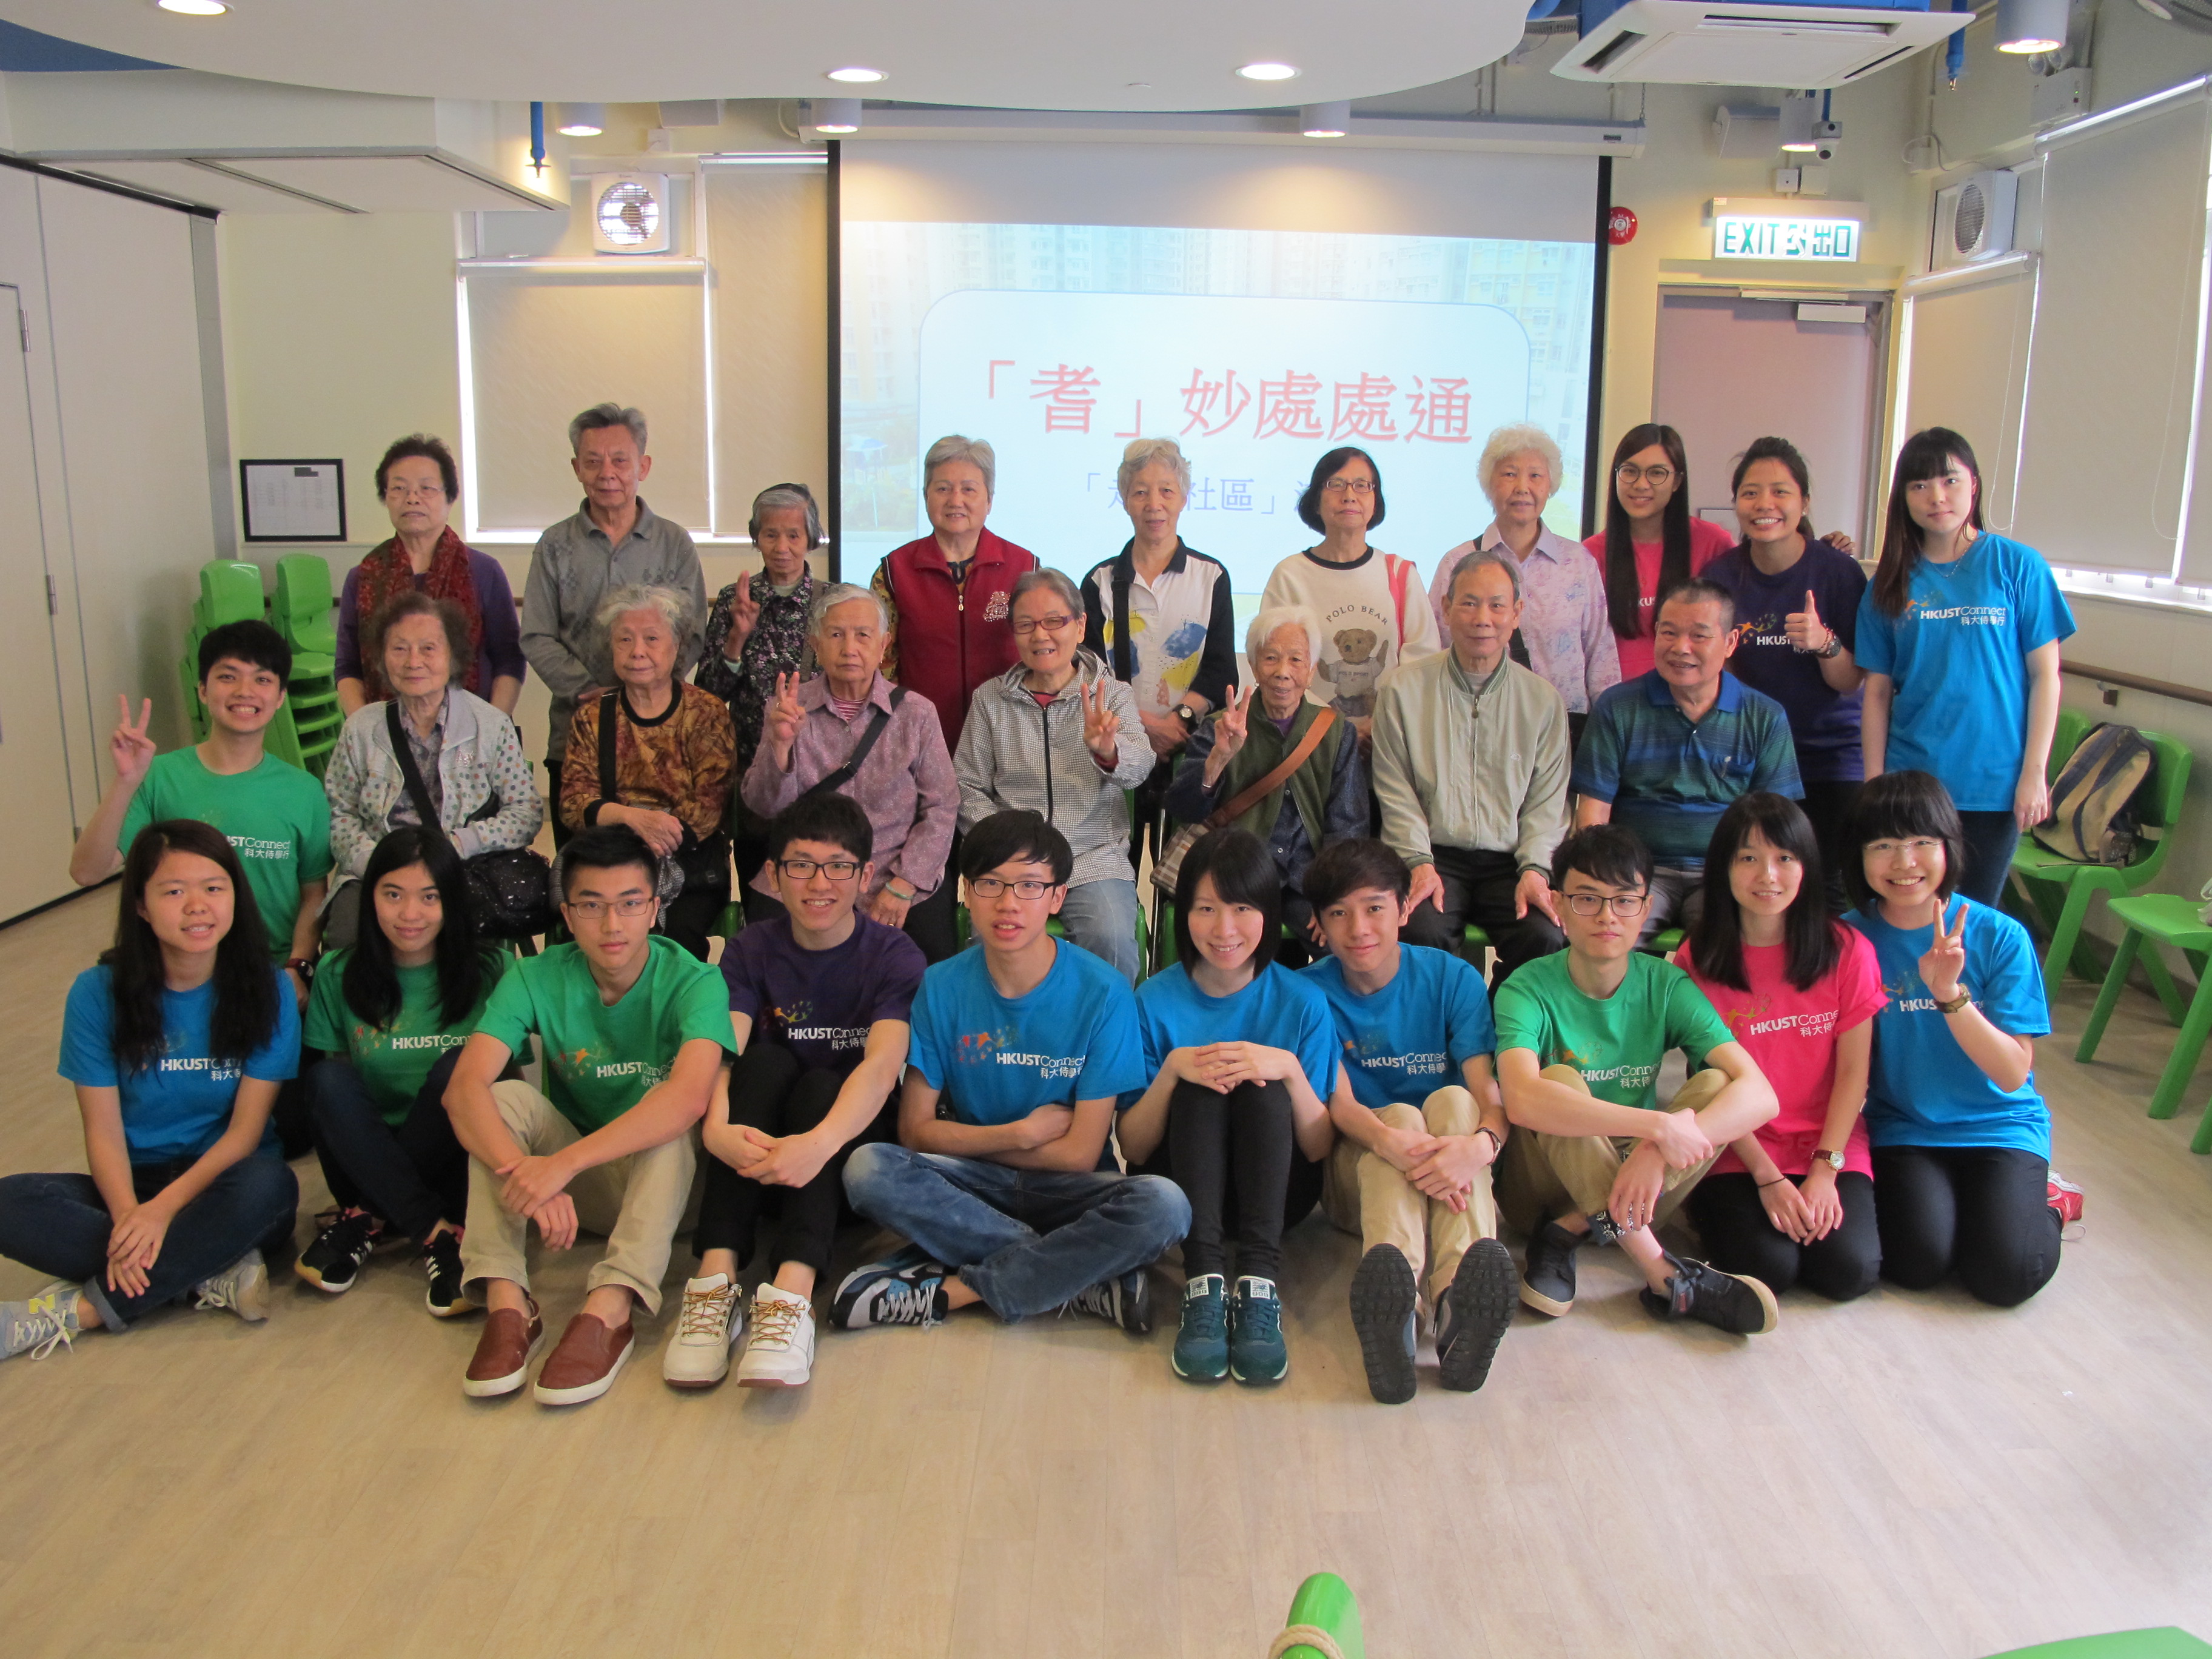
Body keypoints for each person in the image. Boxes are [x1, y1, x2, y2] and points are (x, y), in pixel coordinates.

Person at [831, 811, 1189, 1335]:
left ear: (1057, 899)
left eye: (1028, 886)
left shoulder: (1104, 992)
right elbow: (915, 1130)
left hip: (1072, 1187)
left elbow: (1080, 1153)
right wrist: (1017, 1134)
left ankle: (955, 1291)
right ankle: (1082, 1272)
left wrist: (968, 1141)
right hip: (974, 1185)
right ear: (966, 892)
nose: (1008, 903)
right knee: (867, 1169)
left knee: (1166, 1204)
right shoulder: (941, 985)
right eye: (990, 883)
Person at [444, 823, 734, 1405]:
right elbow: (463, 1089)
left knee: (666, 1118)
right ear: (566, 913)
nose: (612, 925)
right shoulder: (534, 975)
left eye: (630, 905)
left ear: (655, 909)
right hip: (585, 1188)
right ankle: (508, 1303)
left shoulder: (696, 981)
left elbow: (689, 1100)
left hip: (671, 1191)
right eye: (592, 906)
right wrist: (523, 1172)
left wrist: (559, 1166)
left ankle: (611, 1308)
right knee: (504, 1100)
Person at [0, 822, 299, 1361]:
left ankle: (79, 1311)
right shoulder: (96, 994)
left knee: (271, 1186)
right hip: (133, 1182)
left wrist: (161, 1213)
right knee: (7, 1205)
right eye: (173, 891)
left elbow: (244, 1134)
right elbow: (105, 1133)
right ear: (140, 905)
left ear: (236, 896)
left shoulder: (269, 989)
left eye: (214, 887)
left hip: (225, 1181)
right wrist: (129, 1216)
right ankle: (202, 1275)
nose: (197, 907)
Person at [662, 794, 926, 1390]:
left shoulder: (894, 954)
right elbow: (724, 1051)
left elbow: (884, 1067)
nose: (818, 883)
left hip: (846, 1158)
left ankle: (791, 1293)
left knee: (825, 1084)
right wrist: (715, 1128)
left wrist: (819, 1144)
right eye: (800, 865)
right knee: (765, 1063)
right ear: (773, 876)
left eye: (838, 866)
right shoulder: (752, 948)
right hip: (758, 1152)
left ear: (864, 875)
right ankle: (716, 1279)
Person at [1493, 824, 1783, 1336]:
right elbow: (1519, 1099)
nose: (1607, 916)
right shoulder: (1527, 986)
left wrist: (1653, 1147)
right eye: (1587, 899)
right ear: (1557, 906)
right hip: (1536, 1187)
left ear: (1646, 909)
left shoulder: (1666, 984)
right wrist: (1656, 1126)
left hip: (1645, 1183)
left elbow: (1760, 1093)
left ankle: (1566, 1232)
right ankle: (1663, 1273)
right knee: (1556, 1081)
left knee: (1717, 1085)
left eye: (1625, 900)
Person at [69, 621, 331, 1157]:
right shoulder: (161, 777)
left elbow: (313, 895)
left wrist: (298, 968)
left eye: (261, 680)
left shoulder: (303, 791)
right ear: (202, 691)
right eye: (227, 677)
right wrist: (125, 781)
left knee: (296, 1131)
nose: (244, 692)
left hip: (265, 985)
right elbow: (87, 871)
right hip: (175, 977)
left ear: (280, 697)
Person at [1299, 838, 1519, 1406]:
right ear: (1319, 925)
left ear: (1404, 908)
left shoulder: (1453, 979)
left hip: (1451, 1160)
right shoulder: (1311, 993)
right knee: (1396, 1113)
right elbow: (1341, 1105)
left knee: (1453, 1103)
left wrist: (1482, 1145)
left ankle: (1449, 1305)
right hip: (1362, 1174)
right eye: (1339, 914)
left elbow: (1486, 1095)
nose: (1359, 929)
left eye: (1374, 908)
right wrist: (1393, 1141)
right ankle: (1403, 1304)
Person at [1117, 831, 1338, 1386]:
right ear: (1182, 913)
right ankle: (1204, 1285)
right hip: (1183, 1200)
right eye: (1207, 909)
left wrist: (1286, 1068)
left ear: (1268, 914)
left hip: (1277, 1196)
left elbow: (1317, 1148)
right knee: (1196, 1082)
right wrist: (1172, 1071)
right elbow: (1135, 1148)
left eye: (1243, 909)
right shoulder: (1152, 1000)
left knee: (1261, 1084)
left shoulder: (1303, 1001)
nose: (1225, 930)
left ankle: (1259, 1284)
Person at [1842, 771, 2063, 1306]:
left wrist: (1949, 994)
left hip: (2000, 1125)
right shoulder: (1847, 939)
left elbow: (2013, 1073)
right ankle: (1984, 1207)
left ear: (1949, 848)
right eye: (1884, 845)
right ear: (1860, 855)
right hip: (1907, 1127)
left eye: (1922, 843)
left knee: (2005, 1276)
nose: (1904, 862)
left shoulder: (2000, 936)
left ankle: (2051, 1203)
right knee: (1916, 1264)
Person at [1672, 794, 1884, 1301]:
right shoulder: (1695, 959)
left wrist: (1823, 1170)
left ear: (1806, 866)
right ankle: (1702, 1208)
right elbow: (1708, 1085)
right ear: (1724, 868)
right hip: (1738, 1146)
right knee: (1770, 1268)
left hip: (1829, 1143)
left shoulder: (1847, 949)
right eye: (1748, 858)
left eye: (1784, 858)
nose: (1768, 874)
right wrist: (1768, 1178)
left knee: (1848, 1271)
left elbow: (1855, 1073)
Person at [1856, 427, 2074, 907]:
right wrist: (1875, 783)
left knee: (1973, 918)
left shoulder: (2017, 566)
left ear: (1973, 485)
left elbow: (2045, 677)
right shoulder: (1889, 582)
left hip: (1994, 782)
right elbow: (1876, 692)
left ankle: (1962, 988)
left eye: (1950, 480)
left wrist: (2034, 773)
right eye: (1919, 486)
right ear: (1903, 498)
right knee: (1911, 910)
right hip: (1914, 779)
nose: (1937, 497)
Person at [294, 828, 509, 1315]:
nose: (410, 915)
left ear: (451, 901)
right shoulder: (337, 973)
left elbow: (508, 1080)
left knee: (460, 1073)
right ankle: (436, 1234)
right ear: (369, 898)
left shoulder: (492, 968)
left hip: (460, 1159)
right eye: (393, 895)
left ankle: (368, 1218)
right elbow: (338, 1104)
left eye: (429, 897)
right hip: (365, 1157)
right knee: (326, 1081)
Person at [1572, 580, 1803, 941]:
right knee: (1605, 940)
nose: (1681, 648)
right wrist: (1602, 884)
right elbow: (1593, 814)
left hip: (1723, 874)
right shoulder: (1618, 707)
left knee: (1729, 947)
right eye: (1669, 632)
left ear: (1730, 643)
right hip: (1634, 874)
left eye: (1699, 636)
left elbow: (1775, 825)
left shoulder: (1764, 716)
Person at [1377, 547, 1570, 980]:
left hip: (1512, 859)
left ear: (1517, 613)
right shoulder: (1402, 690)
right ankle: (1439, 1043)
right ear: (1445, 609)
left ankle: (1505, 1036)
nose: (1483, 617)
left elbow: (1548, 802)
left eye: (1498, 605)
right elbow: (1395, 791)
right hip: (1433, 853)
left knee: (1547, 936)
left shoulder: (1542, 701)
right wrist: (1417, 861)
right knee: (1420, 930)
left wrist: (1537, 869)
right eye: (1469, 602)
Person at [953, 569, 1153, 983]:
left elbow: (1141, 767)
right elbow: (967, 785)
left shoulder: (1111, 694)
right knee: (988, 944)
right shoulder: (991, 700)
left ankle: (1101, 1042)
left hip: (1092, 856)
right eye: (1025, 625)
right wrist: (1005, 847)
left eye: (1054, 622)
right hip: (1012, 861)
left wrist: (1109, 752)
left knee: (1112, 939)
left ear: (1080, 626)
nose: (1040, 635)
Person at [744, 582, 959, 962]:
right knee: (771, 962)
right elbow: (764, 807)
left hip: (892, 872)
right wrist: (778, 748)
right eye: (836, 634)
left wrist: (905, 883)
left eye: (863, 635)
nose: (849, 648)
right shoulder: (788, 709)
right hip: (808, 874)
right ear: (815, 643)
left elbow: (942, 807)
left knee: (931, 967)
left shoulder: (917, 713)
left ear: (883, 645)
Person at [321, 591, 543, 950]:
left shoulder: (490, 725)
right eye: (400, 648)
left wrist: (460, 845)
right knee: (347, 936)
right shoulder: (362, 728)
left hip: (461, 869)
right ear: (382, 658)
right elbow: (339, 813)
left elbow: (526, 812)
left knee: (474, 947)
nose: (414, 661)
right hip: (378, 872)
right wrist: (375, 864)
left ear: (452, 655)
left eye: (428, 648)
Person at [1703, 437, 1869, 902]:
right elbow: (1720, 681)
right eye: (1751, 492)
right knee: (1758, 892)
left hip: (1830, 761)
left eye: (1780, 492)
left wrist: (1824, 643)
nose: (1765, 504)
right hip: (1754, 762)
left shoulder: (1838, 573)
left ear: (1804, 502)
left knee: (1832, 894)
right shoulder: (1721, 578)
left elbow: (1850, 680)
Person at [521, 403, 708, 808]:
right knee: (579, 860)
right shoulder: (554, 546)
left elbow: (692, 633)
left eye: (620, 461)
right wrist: (593, 692)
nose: (607, 473)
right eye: (593, 461)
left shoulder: (674, 543)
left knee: (661, 861)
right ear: (576, 468)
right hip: (576, 731)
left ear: (643, 466)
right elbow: (537, 635)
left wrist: (650, 689)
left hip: (661, 737)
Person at [1165, 605, 1366, 959]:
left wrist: (1333, 896)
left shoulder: (1336, 733)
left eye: (1296, 660)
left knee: (1340, 945)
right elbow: (1183, 809)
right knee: (1231, 951)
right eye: (1271, 658)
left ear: (1312, 670)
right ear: (1255, 666)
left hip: (1308, 881)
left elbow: (1348, 825)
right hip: (1238, 876)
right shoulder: (1220, 725)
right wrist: (1217, 761)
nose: (1283, 673)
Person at [1080, 437, 1237, 867]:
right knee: (1115, 870)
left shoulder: (1211, 577)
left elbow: (1221, 669)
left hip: (1188, 754)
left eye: (1167, 490)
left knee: (1183, 878)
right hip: (1114, 752)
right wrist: (1145, 726)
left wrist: (1178, 724)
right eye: (1141, 491)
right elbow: (1090, 673)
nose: (1155, 503)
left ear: (1184, 498)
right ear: (1125, 499)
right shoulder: (1099, 582)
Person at [560, 585, 736, 960]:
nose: (637, 651)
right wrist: (630, 820)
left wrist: (652, 840)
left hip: (688, 862)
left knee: (676, 939)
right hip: (609, 860)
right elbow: (574, 801)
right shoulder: (593, 717)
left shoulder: (706, 712)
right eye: (625, 639)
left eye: (651, 639)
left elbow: (709, 804)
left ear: (676, 648)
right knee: (583, 928)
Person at [1429, 424, 1618, 739]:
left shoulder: (1578, 562)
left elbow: (1601, 653)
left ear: (1551, 485)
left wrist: (1609, 733)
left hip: (1565, 727)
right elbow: (1434, 648)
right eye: (1509, 474)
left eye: (1535, 476)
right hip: (1476, 724)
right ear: (1490, 484)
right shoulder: (1456, 562)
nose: (1522, 487)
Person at [697, 483, 823, 912]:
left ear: (811, 538)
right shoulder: (736, 600)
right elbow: (709, 695)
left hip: (819, 777)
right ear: (756, 538)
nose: (782, 547)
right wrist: (737, 638)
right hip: (755, 775)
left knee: (817, 895)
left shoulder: (833, 602)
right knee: (762, 902)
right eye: (770, 534)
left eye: (794, 534)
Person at [871, 434, 1039, 756]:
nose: (955, 500)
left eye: (969, 489)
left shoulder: (1025, 568)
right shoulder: (894, 572)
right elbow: (881, 665)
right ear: (925, 496)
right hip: (917, 740)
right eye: (943, 488)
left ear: (989, 500)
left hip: (1009, 741)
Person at [1259, 446, 1440, 745]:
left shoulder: (1400, 574)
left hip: (1389, 742)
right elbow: (1274, 667)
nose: (1349, 495)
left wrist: (1379, 727)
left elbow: (1422, 668)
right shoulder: (1290, 575)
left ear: (1375, 501)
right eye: (1336, 484)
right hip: (1311, 744)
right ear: (1316, 500)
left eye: (1362, 486)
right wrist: (1337, 732)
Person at [337, 434, 525, 716]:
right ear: (385, 498)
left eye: (426, 488)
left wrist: (493, 729)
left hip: (471, 731)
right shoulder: (363, 577)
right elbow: (348, 667)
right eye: (399, 489)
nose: (412, 499)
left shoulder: (484, 572)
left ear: (449, 499)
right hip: (384, 733)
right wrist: (364, 730)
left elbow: (509, 660)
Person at [1584, 424, 1735, 682]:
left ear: (1677, 481)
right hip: (1616, 706)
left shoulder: (1713, 543)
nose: (1641, 484)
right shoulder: (1589, 555)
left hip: (1690, 702)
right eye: (1629, 471)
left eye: (1657, 473)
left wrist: (1824, 545)